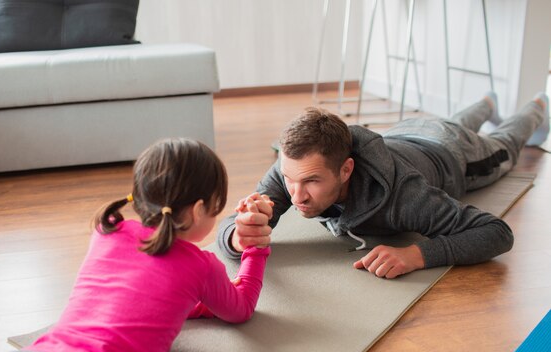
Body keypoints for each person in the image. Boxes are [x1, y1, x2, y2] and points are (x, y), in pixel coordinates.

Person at [0, 138, 271, 352]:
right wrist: (256, 247)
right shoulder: (201, 265)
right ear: (199, 210)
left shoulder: (107, 230)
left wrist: (189, 307)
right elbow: (240, 308)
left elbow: (147, 296)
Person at [217, 92, 550, 279]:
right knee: (453, 119)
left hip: (451, 151)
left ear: (346, 169)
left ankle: (536, 106)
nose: (296, 195)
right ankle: (487, 102)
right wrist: (238, 234)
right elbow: (233, 226)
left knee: (506, 141)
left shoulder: (405, 196)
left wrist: (419, 254)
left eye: (312, 182)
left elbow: (496, 233)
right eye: (289, 180)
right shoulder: (294, 166)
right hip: (403, 132)